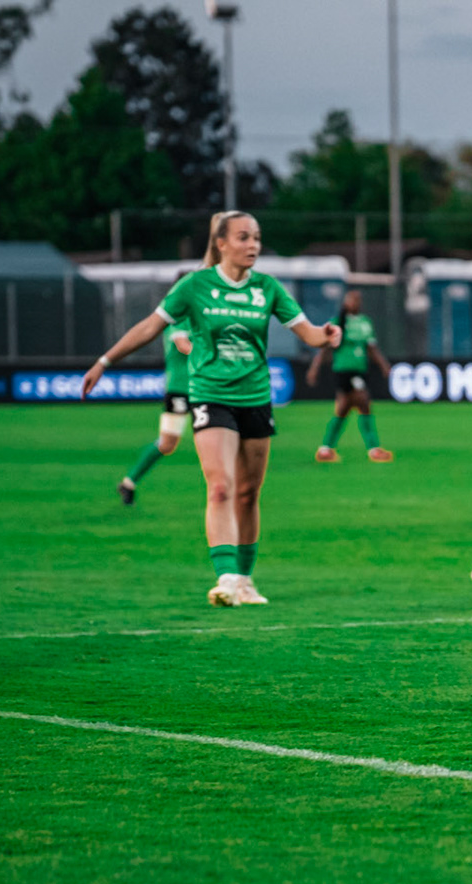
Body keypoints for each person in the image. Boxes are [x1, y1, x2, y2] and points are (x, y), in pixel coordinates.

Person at [83, 210, 344, 607]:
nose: (252, 245)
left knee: (248, 493)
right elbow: (150, 326)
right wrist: (105, 361)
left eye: (256, 237)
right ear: (220, 244)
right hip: (210, 395)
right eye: (243, 237)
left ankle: (245, 579)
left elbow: (306, 332)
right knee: (219, 487)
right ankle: (225, 579)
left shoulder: (268, 288)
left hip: (256, 398)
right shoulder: (195, 286)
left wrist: (326, 335)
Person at [307, 289, 394, 463]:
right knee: (363, 401)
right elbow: (325, 347)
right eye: (352, 299)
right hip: (344, 370)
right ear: (346, 302)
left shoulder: (365, 323)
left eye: (358, 300)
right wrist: (315, 368)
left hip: (359, 370)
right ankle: (374, 449)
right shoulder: (338, 323)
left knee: (344, 408)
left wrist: (383, 365)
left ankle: (325, 449)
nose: (356, 302)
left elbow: (371, 348)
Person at [116, 320, 194, 505]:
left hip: (206, 388)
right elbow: (183, 346)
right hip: (180, 389)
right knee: (167, 444)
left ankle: (227, 490)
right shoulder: (180, 317)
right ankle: (129, 483)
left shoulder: (203, 315)